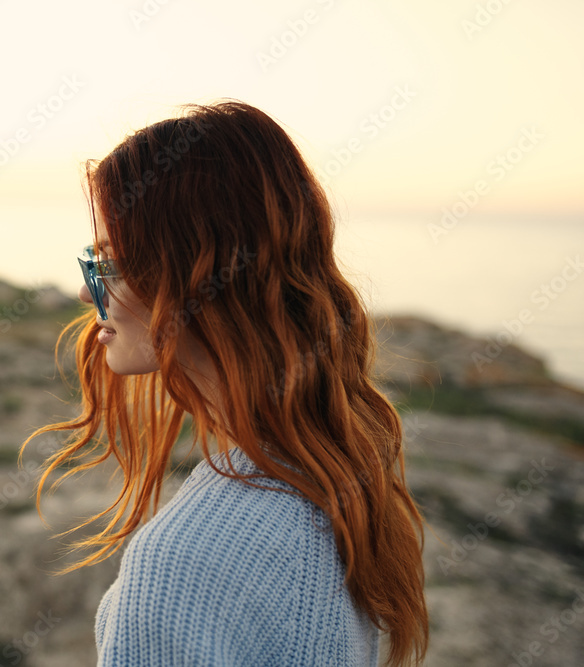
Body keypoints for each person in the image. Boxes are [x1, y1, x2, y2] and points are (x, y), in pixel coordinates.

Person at [21, 100, 428, 666]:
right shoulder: (331, 483)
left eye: (108, 262)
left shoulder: (186, 562)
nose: (89, 294)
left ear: (193, 273)